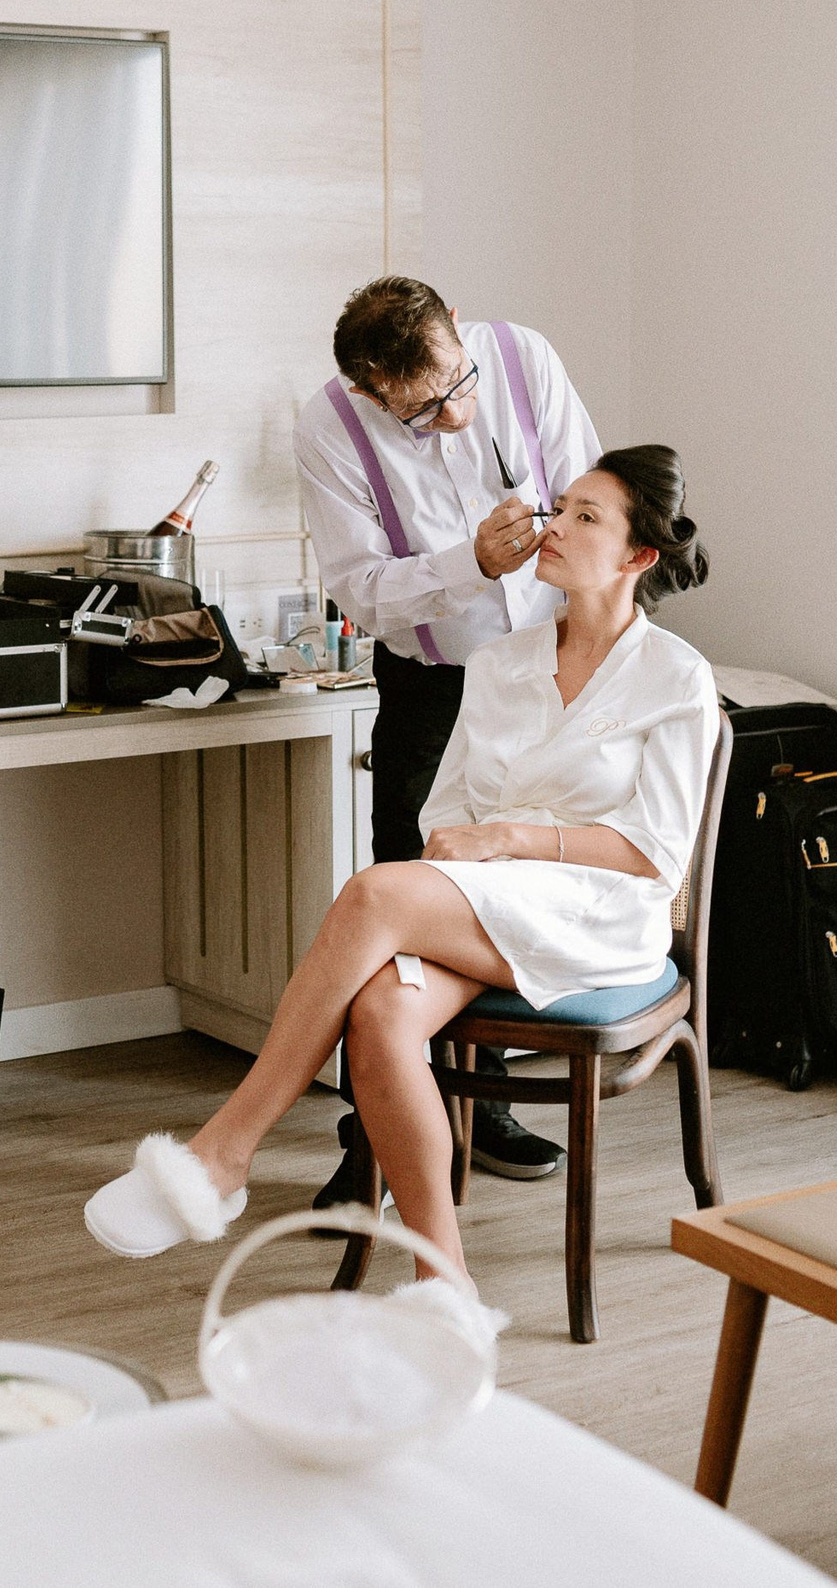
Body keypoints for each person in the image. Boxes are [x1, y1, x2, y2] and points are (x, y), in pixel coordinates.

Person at [85, 446, 716, 1328]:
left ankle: (223, 1151)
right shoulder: (501, 662)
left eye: (586, 518)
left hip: (598, 916)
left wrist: (511, 838)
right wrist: (474, 858)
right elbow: (444, 814)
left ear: (637, 557)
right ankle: (444, 1285)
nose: (554, 527)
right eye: (560, 506)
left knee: (376, 895)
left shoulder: (675, 676)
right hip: (486, 903)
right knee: (380, 1011)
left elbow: (657, 851)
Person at [293, 275, 606, 1198]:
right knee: (404, 898)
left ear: (459, 328)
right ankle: (376, 1137)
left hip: (549, 671)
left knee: (516, 893)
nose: (458, 415)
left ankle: (485, 1105)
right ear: (370, 392)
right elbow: (360, 590)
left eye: (458, 383)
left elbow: (592, 493)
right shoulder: (328, 429)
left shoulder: (524, 358)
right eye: (426, 411)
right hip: (432, 686)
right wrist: (467, 562)